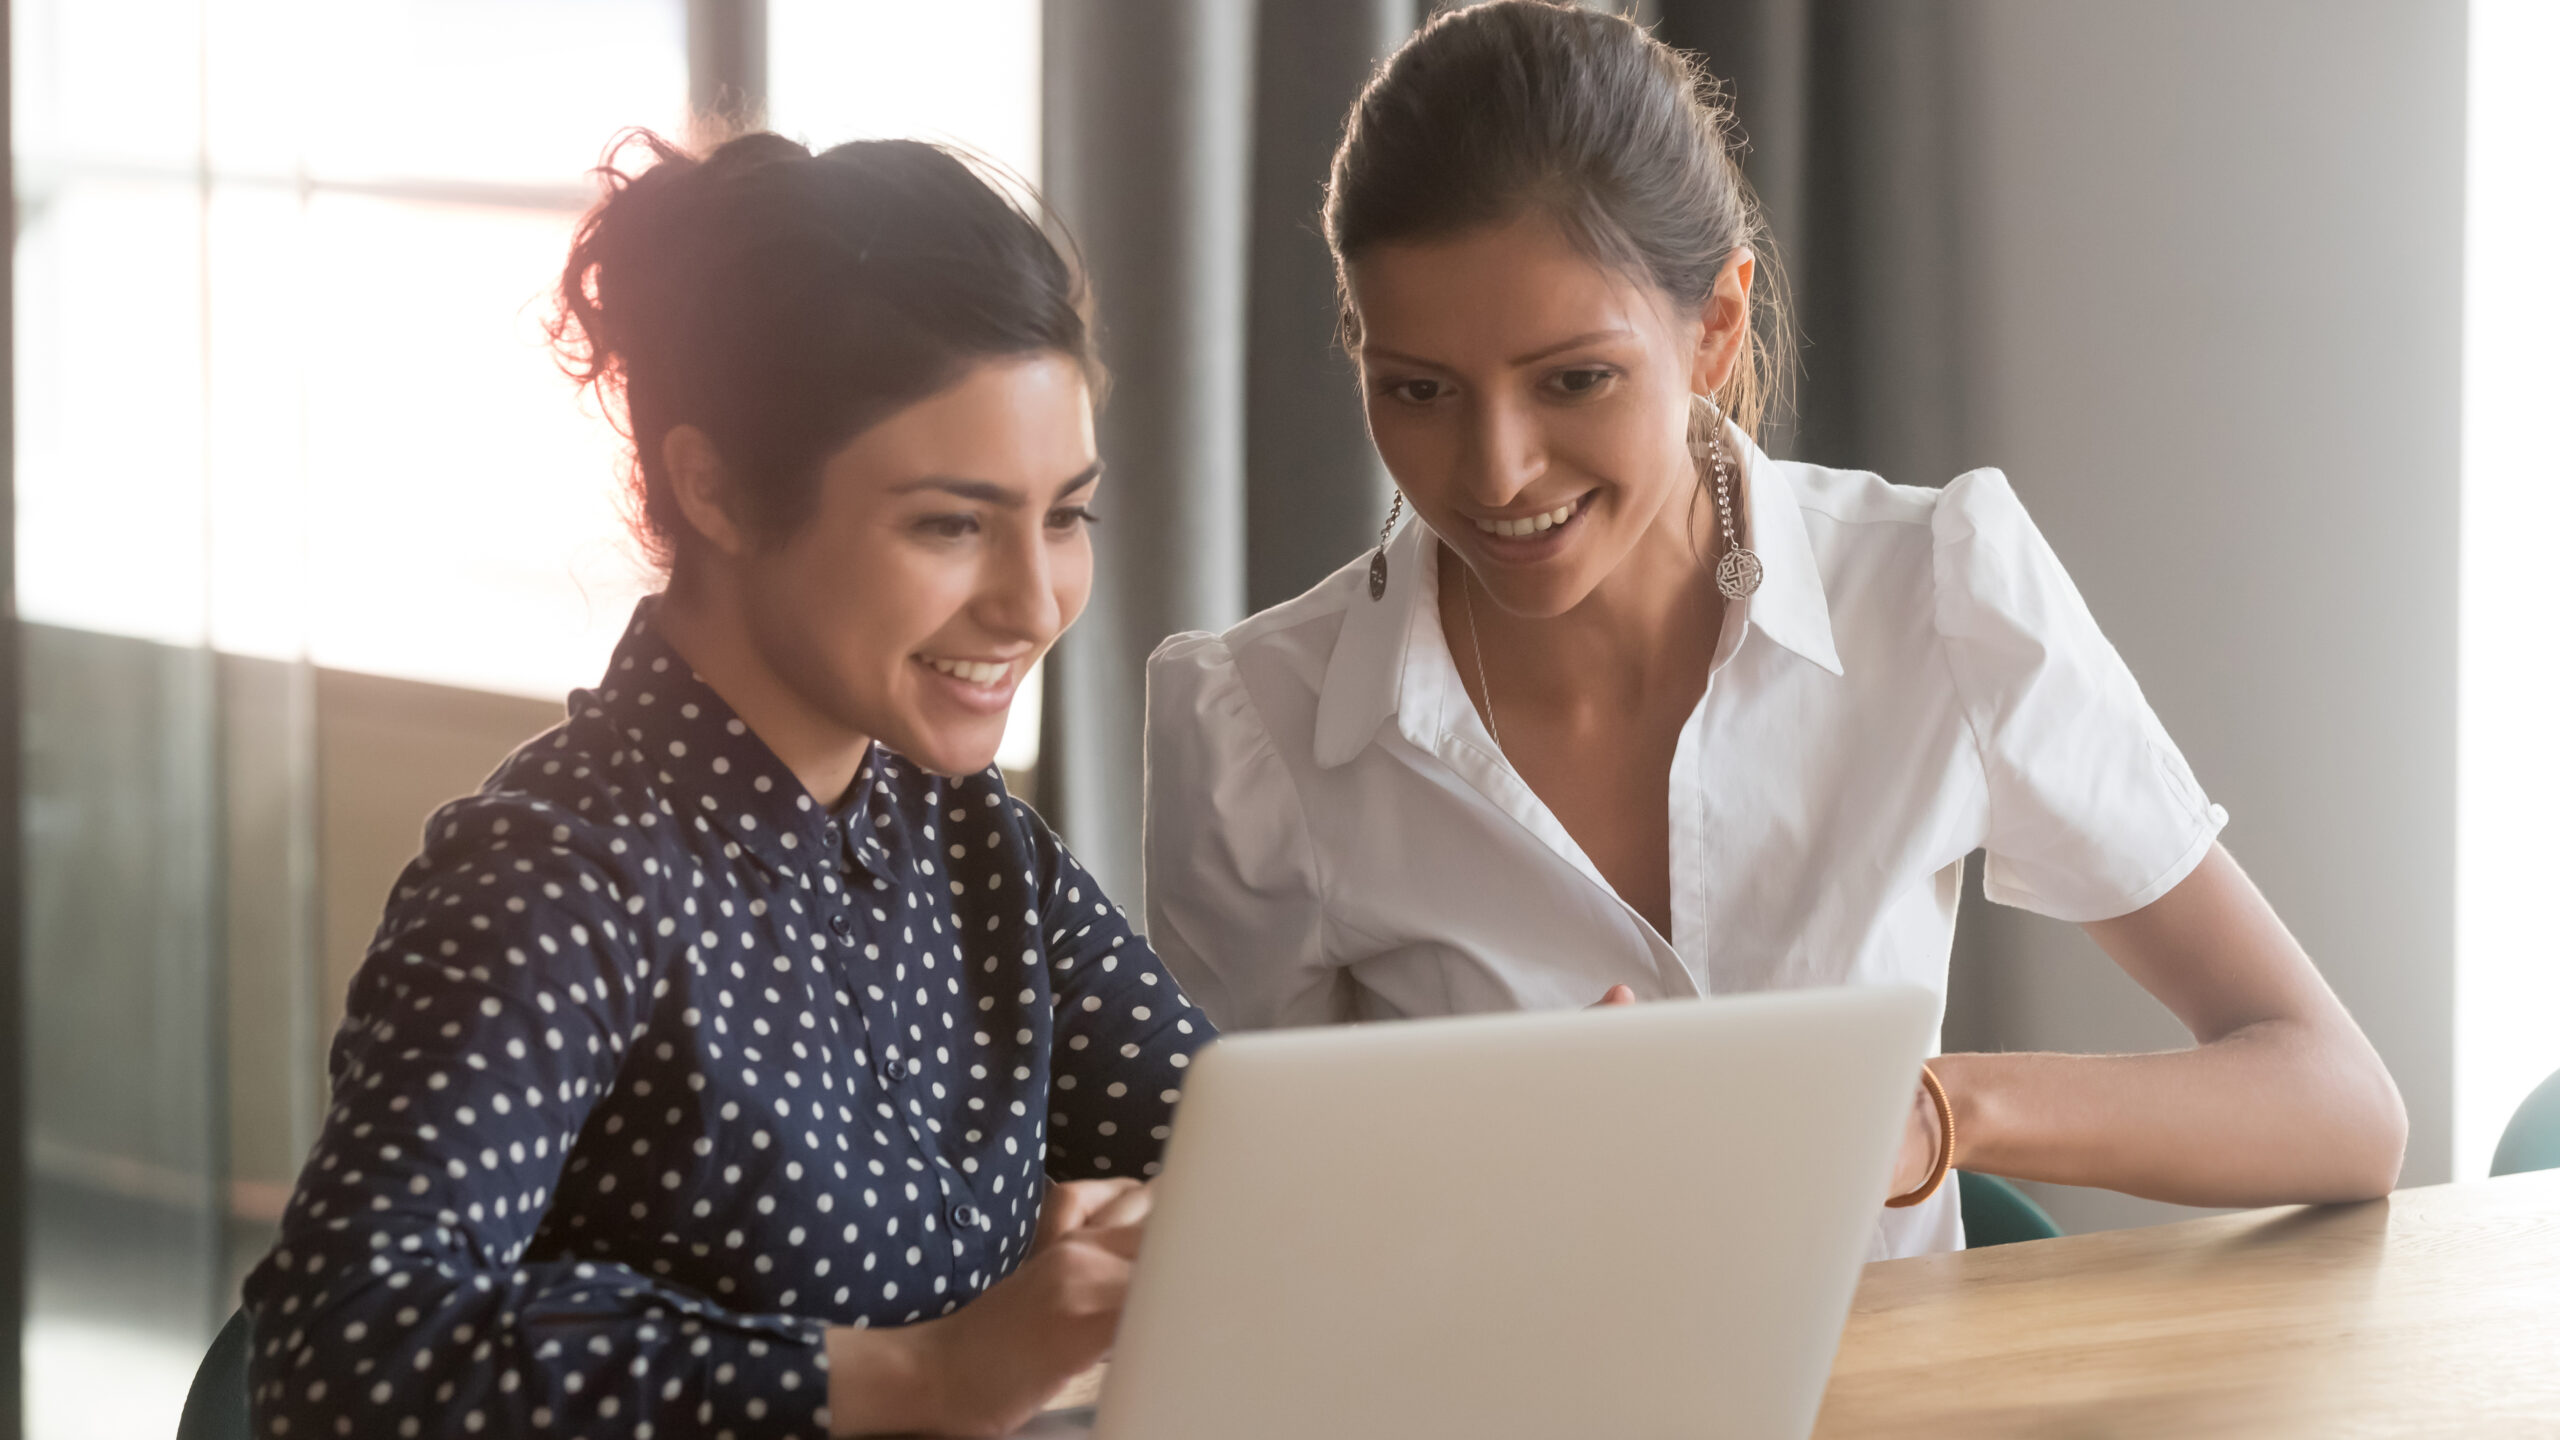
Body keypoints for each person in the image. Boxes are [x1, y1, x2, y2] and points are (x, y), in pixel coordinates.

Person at [1142, 0, 2404, 1258]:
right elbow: (1239, 1245)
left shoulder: (1935, 593)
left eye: (1574, 378)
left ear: (1716, 327)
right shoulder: (1257, 730)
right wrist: (1492, 1159)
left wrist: (1922, 1112)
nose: (1496, 469)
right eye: (1418, 390)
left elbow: (2337, 1107)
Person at [245, 130, 1211, 1439]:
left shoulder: (969, 840)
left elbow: (1241, 1156)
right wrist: (924, 1376)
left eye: (1064, 516)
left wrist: (1546, 1112)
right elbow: (344, 1353)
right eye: (951, 523)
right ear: (715, 488)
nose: (1035, 603)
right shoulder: (555, 877)